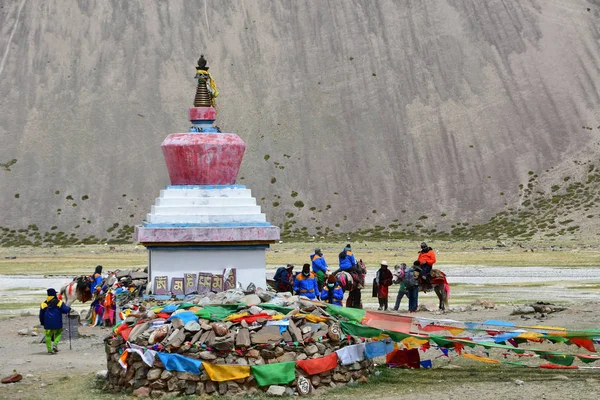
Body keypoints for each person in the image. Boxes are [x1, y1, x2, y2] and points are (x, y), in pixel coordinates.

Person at [39, 288, 71, 354]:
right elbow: (65, 310)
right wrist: (69, 309)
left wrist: (42, 322)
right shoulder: (59, 302)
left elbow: (41, 315)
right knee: (58, 333)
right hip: (57, 322)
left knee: (48, 336)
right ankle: (55, 345)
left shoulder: (43, 304)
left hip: (47, 322)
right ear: (54, 294)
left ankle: (49, 350)